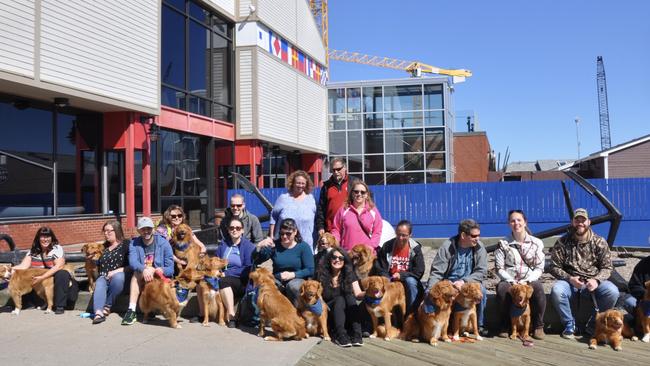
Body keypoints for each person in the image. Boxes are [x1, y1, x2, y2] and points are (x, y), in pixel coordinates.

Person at [549, 208, 618, 339]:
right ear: (572, 222)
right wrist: (570, 278)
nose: (580, 223)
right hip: (570, 282)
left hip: (592, 283)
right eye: (577, 220)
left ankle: (593, 325)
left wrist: (596, 280)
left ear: (589, 222)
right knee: (557, 290)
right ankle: (570, 324)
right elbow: (554, 267)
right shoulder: (563, 242)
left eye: (583, 220)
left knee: (612, 291)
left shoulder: (599, 242)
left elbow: (607, 267)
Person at [424, 219, 488, 337]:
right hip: (449, 284)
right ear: (463, 235)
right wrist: (430, 290)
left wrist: (464, 281)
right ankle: (434, 326)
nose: (477, 238)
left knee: (482, 291)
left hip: (468, 283)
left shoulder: (479, 247)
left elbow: (481, 271)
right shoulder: (447, 246)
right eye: (474, 236)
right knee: (432, 294)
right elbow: (437, 272)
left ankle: (479, 326)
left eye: (479, 235)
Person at [494, 210, 546, 340]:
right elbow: (499, 268)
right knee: (502, 290)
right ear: (509, 224)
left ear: (525, 222)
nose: (516, 223)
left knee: (538, 288)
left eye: (519, 220)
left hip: (529, 278)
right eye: (512, 221)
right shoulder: (503, 243)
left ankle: (538, 326)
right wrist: (511, 281)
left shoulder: (537, 243)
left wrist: (527, 281)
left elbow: (539, 268)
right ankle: (505, 326)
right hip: (510, 278)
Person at [11, 227, 78, 314]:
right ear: (38, 238)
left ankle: (59, 305)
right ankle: (47, 303)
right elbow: (23, 266)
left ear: (51, 238)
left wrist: (42, 277)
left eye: (48, 236)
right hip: (42, 283)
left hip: (58, 280)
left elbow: (58, 266)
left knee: (62, 273)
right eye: (42, 237)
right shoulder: (33, 251)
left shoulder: (56, 248)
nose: (45, 239)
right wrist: (9, 270)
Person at [122, 217, 174, 326]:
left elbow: (170, 269)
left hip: (159, 277)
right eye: (143, 229)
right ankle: (131, 311)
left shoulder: (164, 243)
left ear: (153, 229)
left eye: (149, 228)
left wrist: (157, 269)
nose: (146, 231)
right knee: (136, 274)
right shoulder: (134, 243)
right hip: (143, 275)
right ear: (138, 231)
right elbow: (133, 262)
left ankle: (156, 309)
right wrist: (144, 269)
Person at [254, 218, 314, 304]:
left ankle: (297, 313)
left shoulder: (303, 247)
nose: (284, 236)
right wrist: (260, 246)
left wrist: (292, 274)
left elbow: (310, 270)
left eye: (288, 233)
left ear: (295, 232)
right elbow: (257, 260)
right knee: (265, 286)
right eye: (282, 233)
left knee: (293, 286)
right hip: (278, 278)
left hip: (297, 279)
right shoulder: (275, 245)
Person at [316, 247, 365, 347]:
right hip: (329, 313)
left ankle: (357, 334)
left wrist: (368, 292)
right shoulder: (321, 274)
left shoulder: (349, 273)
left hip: (346, 314)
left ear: (344, 261)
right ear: (329, 259)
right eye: (334, 257)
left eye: (341, 258)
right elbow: (318, 298)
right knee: (340, 299)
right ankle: (341, 335)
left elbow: (358, 295)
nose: (337, 260)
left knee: (349, 297)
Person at [375, 220, 425, 316]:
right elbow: (380, 266)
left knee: (411, 282)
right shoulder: (387, 246)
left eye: (404, 235)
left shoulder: (415, 248)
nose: (400, 238)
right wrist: (386, 278)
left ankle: (411, 316)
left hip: (407, 279)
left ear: (410, 235)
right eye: (398, 234)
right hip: (390, 278)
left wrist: (402, 275)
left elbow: (419, 271)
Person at [215, 217, 256, 328]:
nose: (234, 230)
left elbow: (248, 268)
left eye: (238, 228)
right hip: (223, 277)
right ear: (228, 230)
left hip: (242, 281)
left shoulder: (248, 246)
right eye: (232, 228)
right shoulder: (223, 245)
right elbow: (216, 259)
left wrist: (227, 273)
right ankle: (202, 315)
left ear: (242, 230)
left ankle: (231, 315)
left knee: (224, 281)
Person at [91, 220, 130, 324]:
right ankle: (98, 313)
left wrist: (116, 271)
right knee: (100, 281)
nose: (106, 233)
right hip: (104, 277)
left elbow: (132, 265)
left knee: (118, 277)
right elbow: (97, 269)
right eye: (104, 231)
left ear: (117, 231)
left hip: (121, 278)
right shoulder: (103, 247)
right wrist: (93, 262)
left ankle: (107, 306)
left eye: (109, 231)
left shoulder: (126, 244)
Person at [269, 170, 317, 252]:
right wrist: (271, 236)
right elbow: (273, 217)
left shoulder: (312, 200)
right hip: (284, 244)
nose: (300, 185)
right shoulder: (283, 198)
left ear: (306, 184)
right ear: (293, 183)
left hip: (306, 244)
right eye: (298, 183)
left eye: (303, 183)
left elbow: (317, 220)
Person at [330, 180, 383, 252]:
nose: (359, 194)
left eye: (362, 192)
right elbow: (336, 229)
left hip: (366, 256)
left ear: (367, 195)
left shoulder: (373, 211)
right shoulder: (344, 210)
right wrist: (335, 242)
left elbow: (377, 231)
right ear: (352, 193)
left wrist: (371, 246)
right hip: (348, 253)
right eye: (356, 191)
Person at [316, 158, 356, 236]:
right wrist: (320, 227)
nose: (336, 172)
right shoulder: (326, 186)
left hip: (350, 229)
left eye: (338, 169)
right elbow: (321, 208)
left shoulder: (354, 182)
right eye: (333, 170)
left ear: (345, 168)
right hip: (331, 230)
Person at [624, 255, 650, 341]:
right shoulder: (643, 264)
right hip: (644, 300)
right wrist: (645, 294)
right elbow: (633, 286)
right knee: (627, 301)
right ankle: (641, 327)